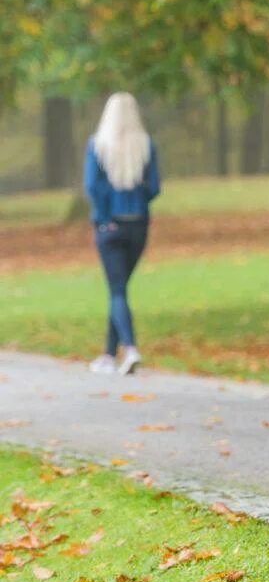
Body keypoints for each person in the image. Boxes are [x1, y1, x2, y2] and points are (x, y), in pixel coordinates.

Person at [84, 92, 160, 376]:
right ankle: (107, 354)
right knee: (120, 289)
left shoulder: (98, 145)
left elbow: (92, 185)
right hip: (137, 224)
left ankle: (129, 348)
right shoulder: (145, 145)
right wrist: (136, 200)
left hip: (110, 225)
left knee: (117, 290)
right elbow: (154, 187)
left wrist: (104, 216)